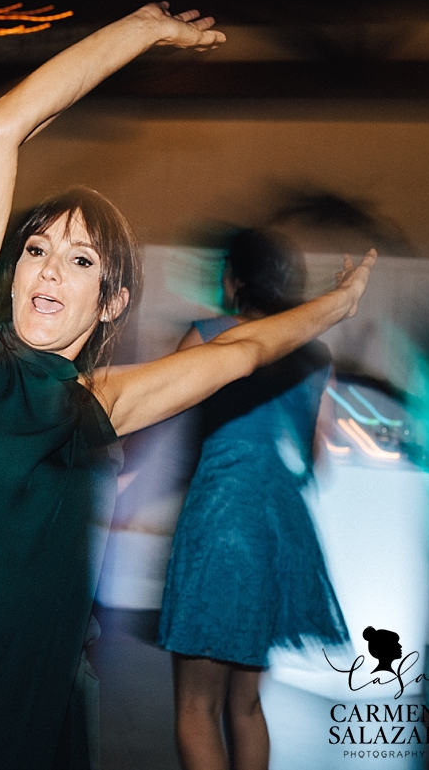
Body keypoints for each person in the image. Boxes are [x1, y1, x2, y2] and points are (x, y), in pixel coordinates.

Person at [0, 3, 374, 769]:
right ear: (11, 269)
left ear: (111, 300)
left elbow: (246, 352)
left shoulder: (104, 403)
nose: (51, 267)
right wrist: (143, 31)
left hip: (33, 711)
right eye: (37, 248)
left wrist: (337, 306)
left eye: (82, 260)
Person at [156, 229, 348, 770]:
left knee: (196, 706)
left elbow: (158, 409)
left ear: (234, 280)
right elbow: (317, 461)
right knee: (246, 706)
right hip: (276, 527)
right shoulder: (313, 355)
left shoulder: (209, 335)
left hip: (222, 520)